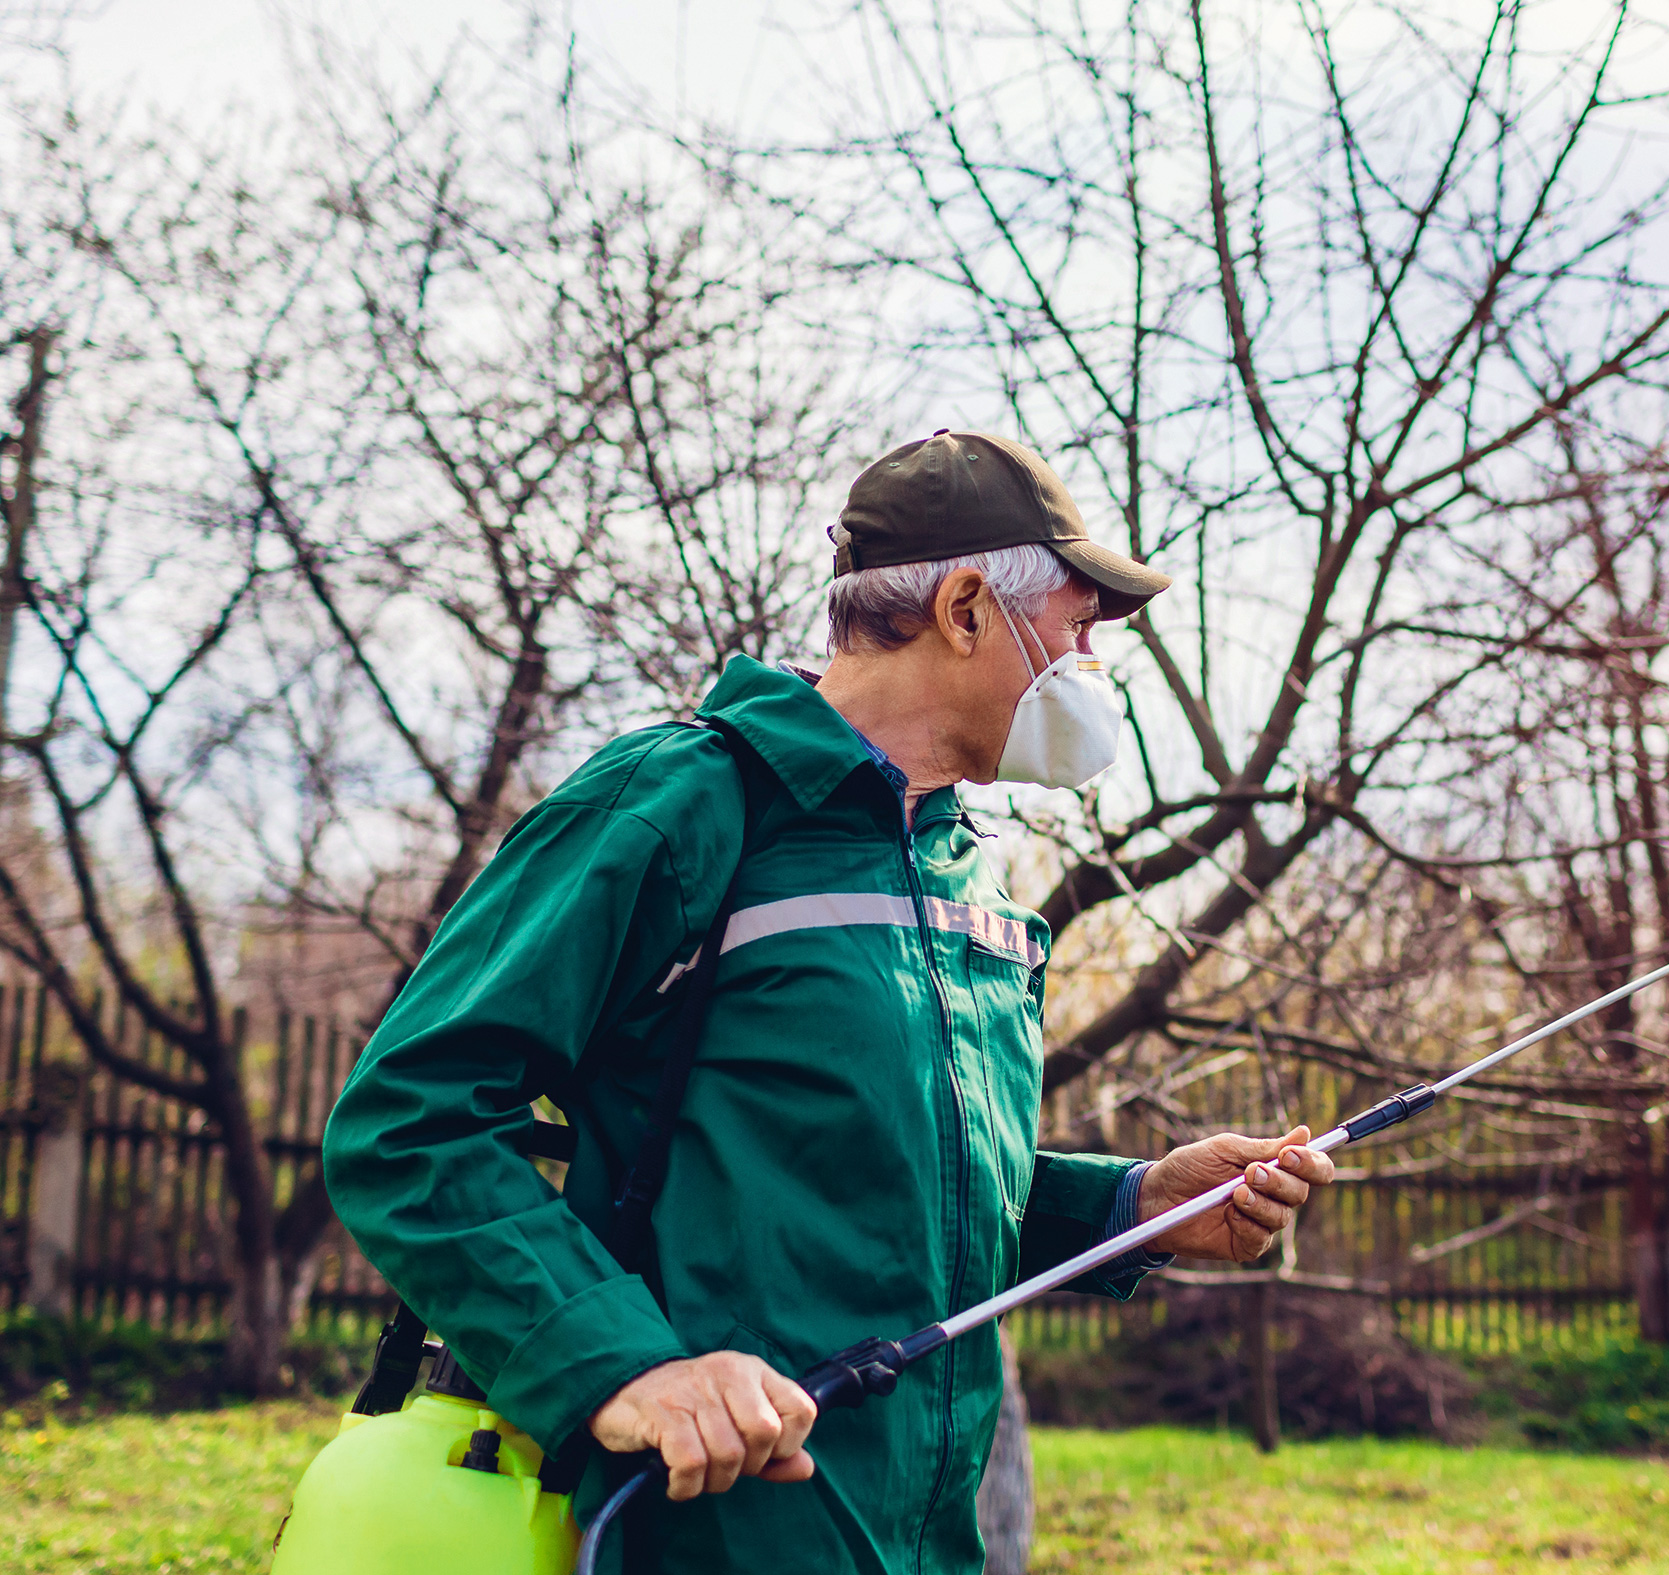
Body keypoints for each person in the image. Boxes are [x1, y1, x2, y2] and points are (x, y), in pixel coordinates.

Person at [323, 429, 1335, 1574]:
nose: (1090, 660)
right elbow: (411, 1123)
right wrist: (623, 1367)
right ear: (964, 608)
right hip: (706, 1528)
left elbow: (866, 1183)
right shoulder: (674, 803)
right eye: (1077, 622)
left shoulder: (966, 865)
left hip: (928, 1531)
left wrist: (1132, 1209)